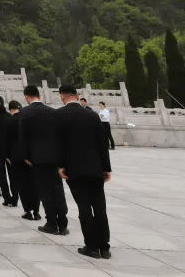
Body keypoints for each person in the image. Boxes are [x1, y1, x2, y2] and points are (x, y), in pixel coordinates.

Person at [58, 85, 113, 259]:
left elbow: (58, 144)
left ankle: (91, 247)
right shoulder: (92, 115)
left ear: (62, 97)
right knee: (100, 207)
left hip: (74, 169)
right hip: (95, 168)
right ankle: (104, 247)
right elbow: (102, 144)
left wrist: (60, 166)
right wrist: (106, 168)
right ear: (77, 96)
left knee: (84, 207)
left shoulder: (59, 115)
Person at [20, 85, 69, 236]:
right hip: (54, 157)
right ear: (39, 95)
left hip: (38, 158)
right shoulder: (52, 112)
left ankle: (51, 223)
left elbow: (23, 138)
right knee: (57, 189)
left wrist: (26, 156)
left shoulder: (25, 112)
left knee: (45, 191)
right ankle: (63, 223)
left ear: (27, 97)